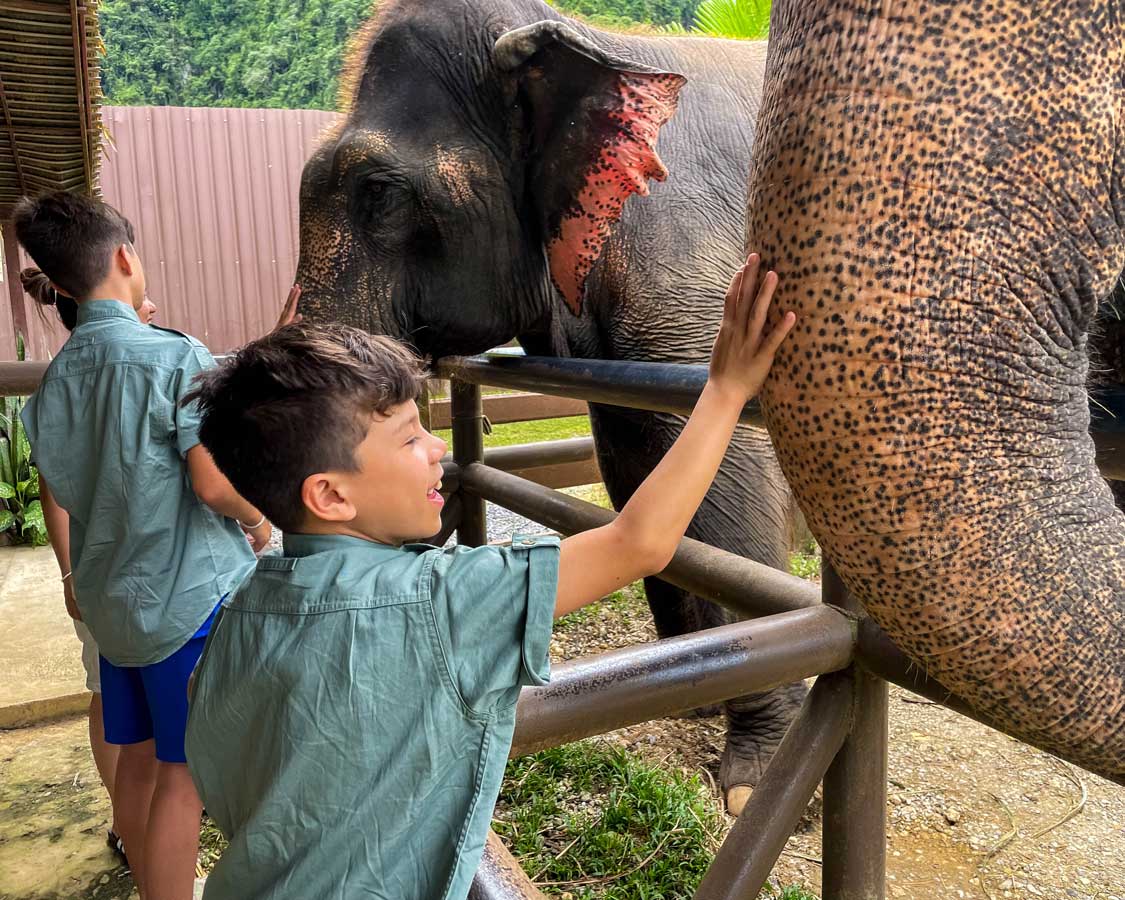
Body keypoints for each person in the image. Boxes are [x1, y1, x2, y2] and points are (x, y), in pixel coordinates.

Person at [182, 253, 795, 900]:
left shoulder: (240, 608)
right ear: (331, 496)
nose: (439, 448)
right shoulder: (438, 601)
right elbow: (637, 541)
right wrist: (723, 390)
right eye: (410, 438)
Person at [14, 191, 274, 900]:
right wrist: (258, 522)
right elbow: (214, 485)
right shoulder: (172, 355)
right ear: (126, 257)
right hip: (183, 599)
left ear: (59, 285)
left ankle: (142, 866)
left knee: (134, 758)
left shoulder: (50, 390)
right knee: (185, 777)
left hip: (113, 606)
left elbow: (66, 492)